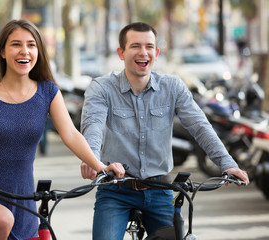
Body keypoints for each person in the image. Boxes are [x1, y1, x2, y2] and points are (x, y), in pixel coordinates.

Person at [0, 19, 124, 240]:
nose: (24, 51)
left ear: (38, 51)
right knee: (2, 219)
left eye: (31, 44)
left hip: (24, 201)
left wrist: (101, 167)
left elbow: (71, 134)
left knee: (10, 220)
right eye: (16, 44)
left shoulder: (48, 92)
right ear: (2, 52)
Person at [80, 22, 249, 240]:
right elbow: (92, 126)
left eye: (149, 47)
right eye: (135, 46)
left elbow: (200, 126)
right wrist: (91, 159)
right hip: (115, 190)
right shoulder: (102, 88)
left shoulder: (172, 87)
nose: (143, 53)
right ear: (121, 53)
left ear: (157, 53)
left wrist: (228, 164)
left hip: (160, 190)